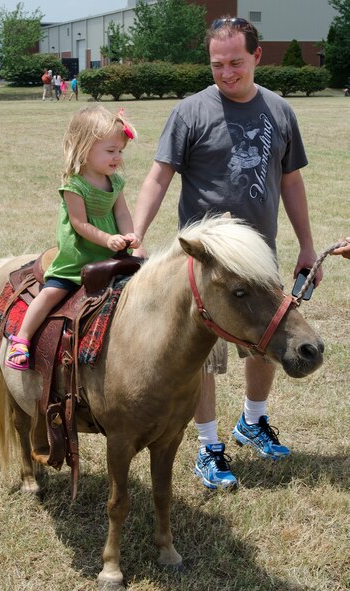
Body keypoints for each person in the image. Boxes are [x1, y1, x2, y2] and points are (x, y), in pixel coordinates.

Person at [133, 16, 323, 491]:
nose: (227, 72)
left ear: (257, 56)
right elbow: (159, 176)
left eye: (236, 62)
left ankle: (252, 422)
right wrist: (136, 234)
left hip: (260, 258)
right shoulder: (191, 113)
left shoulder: (279, 111)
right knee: (206, 356)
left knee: (267, 338)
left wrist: (305, 245)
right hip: (209, 266)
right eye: (217, 64)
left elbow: (291, 181)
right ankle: (209, 446)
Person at [6, 105, 140, 370]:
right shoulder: (74, 184)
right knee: (53, 291)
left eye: (120, 151)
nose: (117, 158)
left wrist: (128, 234)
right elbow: (79, 224)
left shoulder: (115, 181)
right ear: (85, 148)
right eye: (110, 151)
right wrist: (106, 239)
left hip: (110, 252)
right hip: (79, 255)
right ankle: (21, 338)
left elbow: (122, 212)